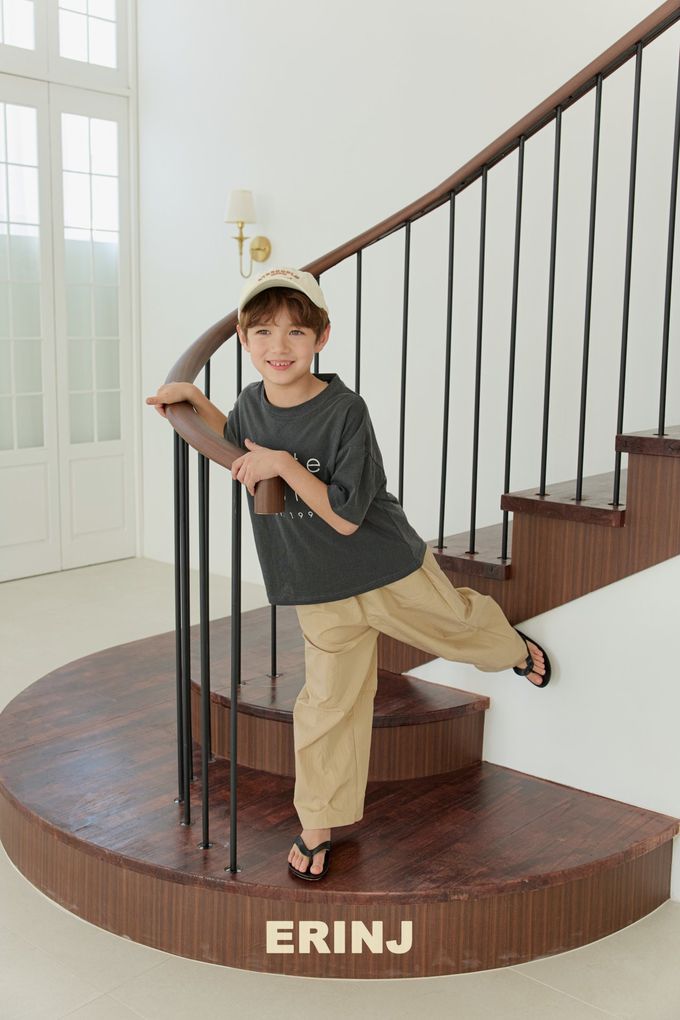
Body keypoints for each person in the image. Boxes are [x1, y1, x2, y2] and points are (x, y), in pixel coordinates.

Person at [146, 267, 551, 883]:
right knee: (327, 706)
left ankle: (512, 649)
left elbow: (341, 516)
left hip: (386, 568)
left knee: (459, 630)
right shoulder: (251, 403)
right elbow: (237, 442)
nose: (279, 346)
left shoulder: (344, 411)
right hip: (317, 587)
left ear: (322, 337)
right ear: (243, 339)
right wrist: (193, 405)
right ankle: (317, 823)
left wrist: (284, 465)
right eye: (263, 332)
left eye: (296, 332)